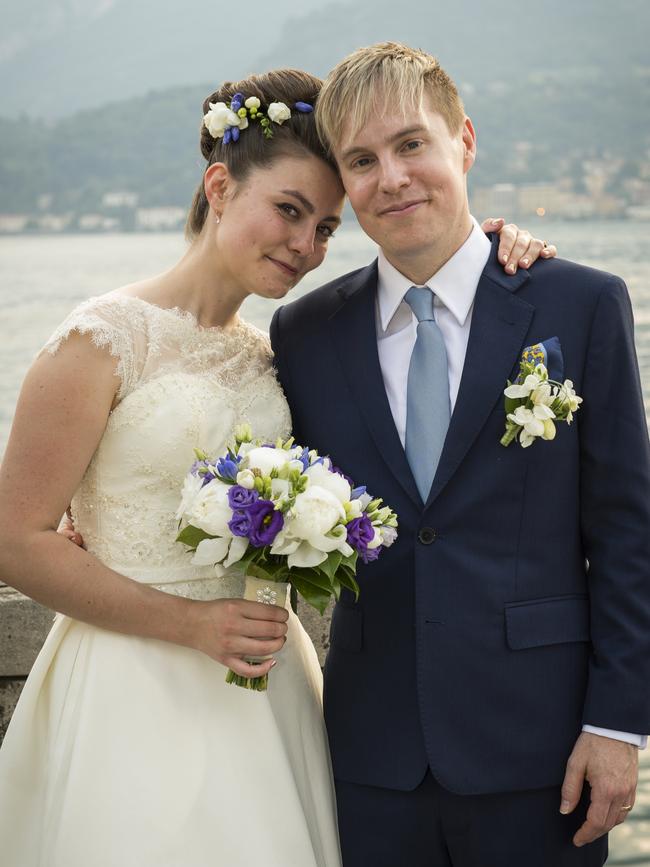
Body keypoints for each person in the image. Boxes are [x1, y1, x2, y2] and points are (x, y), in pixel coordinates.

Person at [0, 67, 550, 867]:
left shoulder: (282, 350)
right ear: (219, 186)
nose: (306, 246)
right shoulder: (100, 341)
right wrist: (191, 624)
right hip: (132, 685)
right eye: (290, 211)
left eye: (327, 228)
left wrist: (493, 247)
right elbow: (16, 539)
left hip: (268, 692)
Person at [269, 43, 650, 867]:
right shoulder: (303, 334)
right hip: (372, 762)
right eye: (362, 161)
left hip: (543, 755)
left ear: (464, 143)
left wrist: (617, 725)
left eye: (412, 145)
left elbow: (627, 532)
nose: (392, 177)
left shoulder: (578, 304)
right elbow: (268, 493)